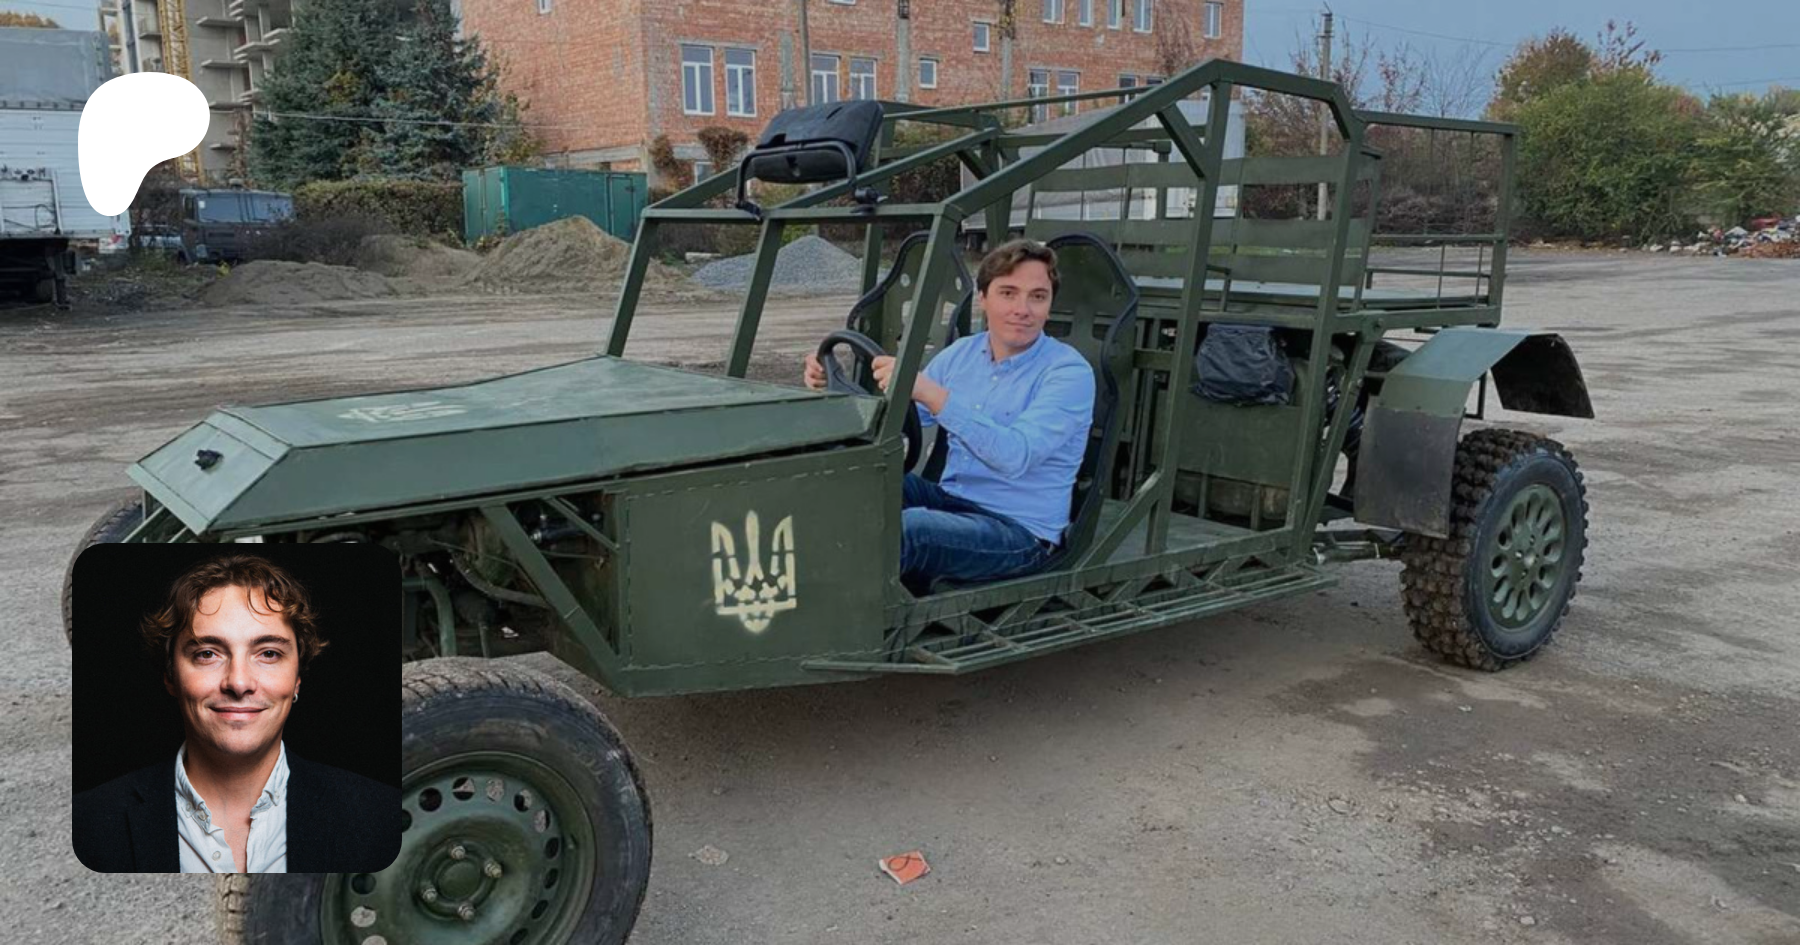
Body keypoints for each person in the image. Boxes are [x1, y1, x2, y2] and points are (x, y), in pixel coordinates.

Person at [71, 554, 397, 873]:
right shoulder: (90, 823)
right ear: (171, 675)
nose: (239, 683)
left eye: (268, 654)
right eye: (207, 654)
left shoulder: (379, 816)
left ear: (297, 677)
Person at [805, 239, 1095, 592]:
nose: (1022, 309)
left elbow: (1014, 456)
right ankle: (795, 583)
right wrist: (832, 389)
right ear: (984, 298)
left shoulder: (1067, 372)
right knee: (847, 476)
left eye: (1037, 296)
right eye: (1008, 293)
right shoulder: (962, 354)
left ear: (1049, 306)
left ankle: (825, 613)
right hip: (953, 502)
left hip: (1019, 532)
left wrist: (931, 393)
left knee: (911, 529)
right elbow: (899, 420)